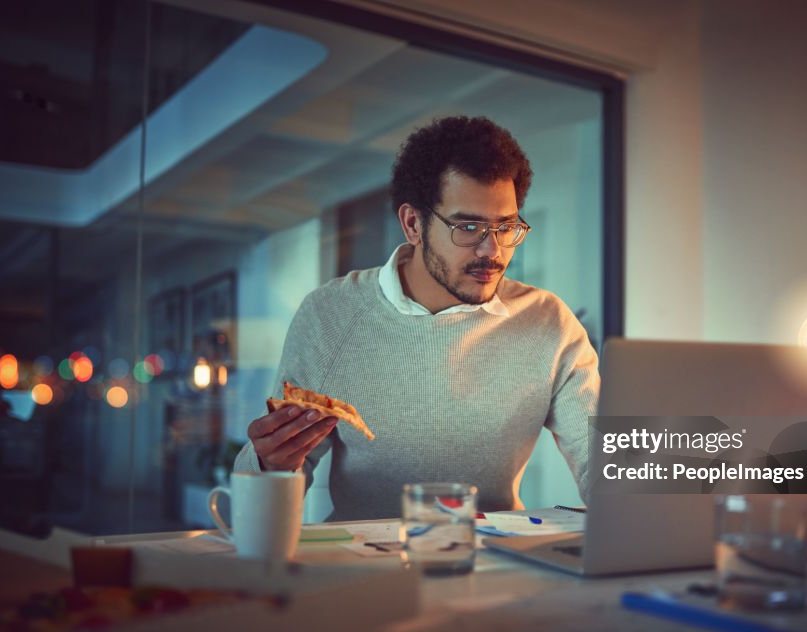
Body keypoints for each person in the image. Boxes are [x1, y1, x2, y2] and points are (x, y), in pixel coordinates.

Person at [234, 115, 599, 521]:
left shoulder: (548, 322)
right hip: (361, 565)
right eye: (469, 226)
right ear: (413, 223)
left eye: (505, 226)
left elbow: (606, 459)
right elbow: (273, 488)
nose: (492, 251)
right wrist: (268, 464)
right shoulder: (331, 315)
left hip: (494, 561)